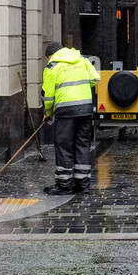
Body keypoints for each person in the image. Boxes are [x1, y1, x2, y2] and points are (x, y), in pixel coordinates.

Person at [41, 41, 100, 195]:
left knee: (63, 144)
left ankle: (64, 185)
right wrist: (81, 90)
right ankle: (83, 184)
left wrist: (48, 114)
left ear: (50, 55)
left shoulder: (52, 66)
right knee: (82, 143)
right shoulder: (82, 60)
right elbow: (95, 78)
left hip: (66, 110)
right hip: (86, 108)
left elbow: (48, 97)